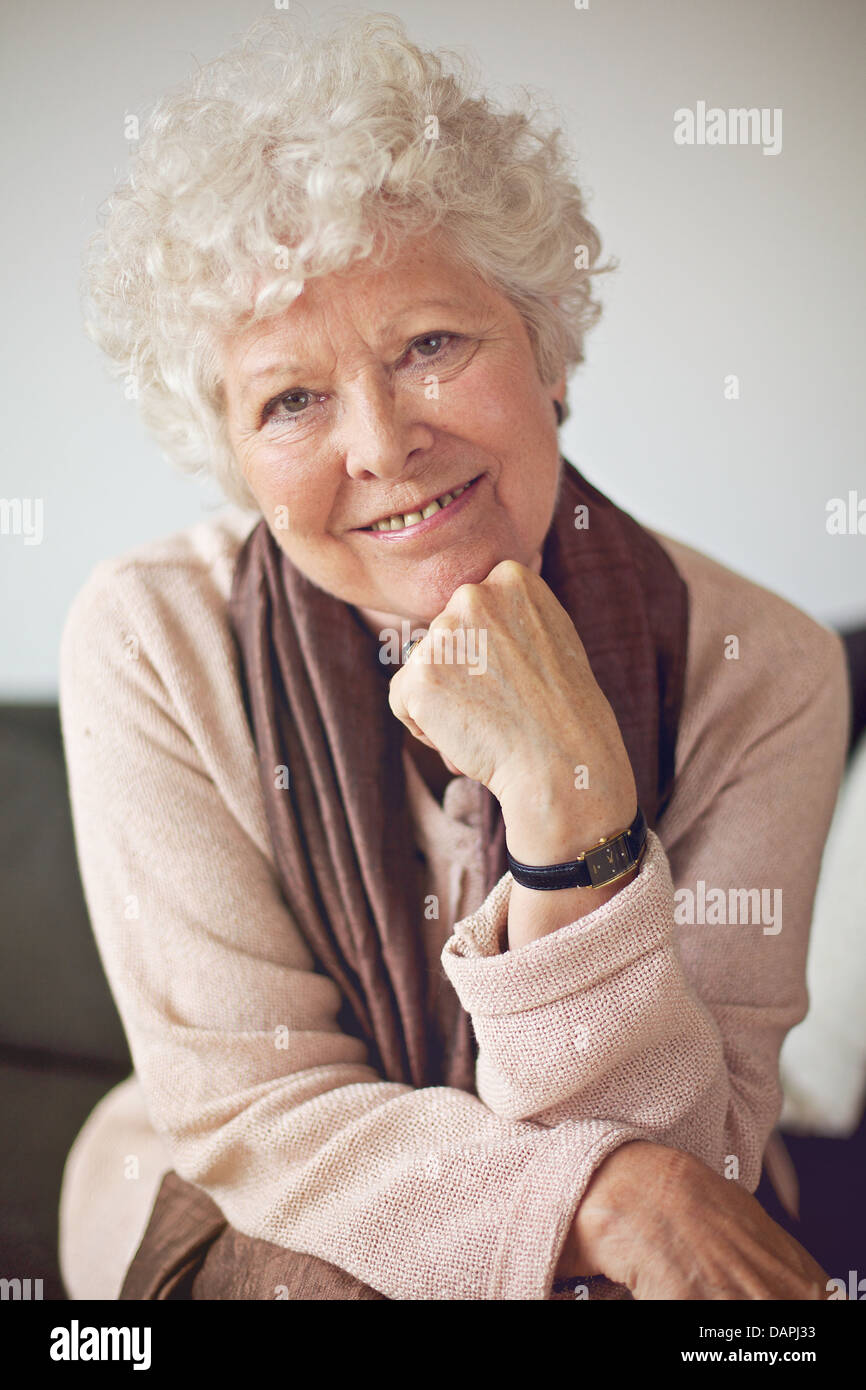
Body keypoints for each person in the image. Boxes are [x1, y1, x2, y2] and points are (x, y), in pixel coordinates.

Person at [58, 11, 848, 1301]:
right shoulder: (148, 641)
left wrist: (568, 798)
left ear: (544, 347)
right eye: (291, 400)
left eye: (430, 344)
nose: (378, 445)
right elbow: (262, 1117)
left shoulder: (766, 669)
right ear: (235, 457)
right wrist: (597, 1193)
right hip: (258, 1198)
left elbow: (694, 1162)